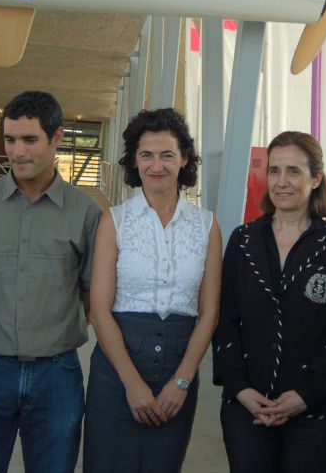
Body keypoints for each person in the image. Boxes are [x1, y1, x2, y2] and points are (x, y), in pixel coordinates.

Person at [0, 91, 102, 473]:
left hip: (57, 376)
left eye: (30, 139)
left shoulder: (85, 213)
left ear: (57, 137)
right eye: (10, 139)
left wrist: (51, 335)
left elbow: (90, 292)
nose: (17, 152)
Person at [83, 108, 222, 472]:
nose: (156, 165)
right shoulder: (114, 221)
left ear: (185, 159)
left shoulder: (207, 225)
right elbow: (99, 309)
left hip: (178, 365)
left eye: (167, 155)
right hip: (118, 368)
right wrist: (131, 383)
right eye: (146, 155)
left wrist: (182, 380)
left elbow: (209, 312)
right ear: (134, 160)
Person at [213, 131, 326, 473]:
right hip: (248, 409)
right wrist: (239, 387)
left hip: (315, 412)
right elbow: (225, 320)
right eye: (274, 170)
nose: (281, 182)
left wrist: (308, 393)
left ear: (316, 178)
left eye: (293, 171)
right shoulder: (243, 241)